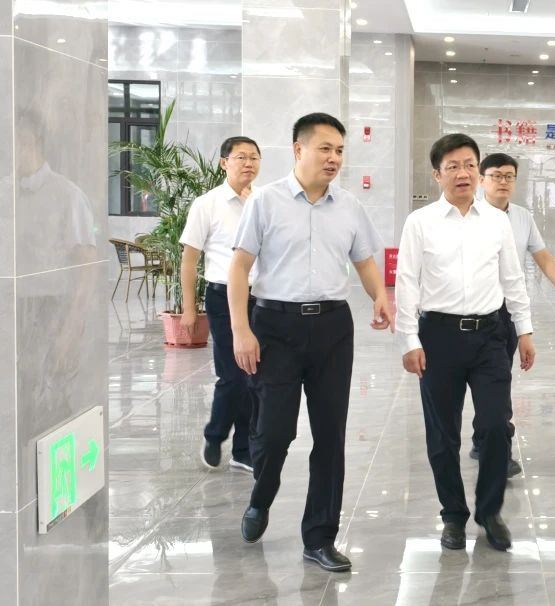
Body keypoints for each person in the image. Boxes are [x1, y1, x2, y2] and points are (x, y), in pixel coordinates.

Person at [228, 113, 392, 572]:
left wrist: (379, 295)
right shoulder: (265, 202)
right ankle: (261, 497)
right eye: (325, 149)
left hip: (332, 329)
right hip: (274, 326)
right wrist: (241, 330)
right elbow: (239, 267)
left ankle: (319, 537)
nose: (334, 158)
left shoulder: (349, 207)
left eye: (339, 150)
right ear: (298, 150)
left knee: (330, 435)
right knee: (275, 433)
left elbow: (364, 260)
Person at [396, 134, 536, 552]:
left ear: (479, 170)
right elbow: (406, 282)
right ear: (437, 174)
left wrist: (524, 329)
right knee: (442, 434)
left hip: (490, 335)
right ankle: (453, 515)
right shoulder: (420, 222)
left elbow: (512, 277)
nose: (463, 173)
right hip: (438, 337)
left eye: (470, 165)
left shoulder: (496, 221)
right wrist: (409, 339)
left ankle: (490, 511)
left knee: (495, 425)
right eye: (453, 166)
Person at [467, 152, 555, 477]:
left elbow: (543, 257)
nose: (503, 182)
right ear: (482, 180)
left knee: (497, 381)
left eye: (509, 176)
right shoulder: (467, 215)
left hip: (506, 312)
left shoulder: (521, 217)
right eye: (496, 175)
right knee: (488, 383)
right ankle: (490, 443)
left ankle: (488, 443)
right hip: (472, 309)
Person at [179, 136, 261, 473]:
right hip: (223, 297)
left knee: (255, 376)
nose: (248, 163)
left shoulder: (263, 202)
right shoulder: (207, 204)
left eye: (254, 157)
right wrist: (189, 308)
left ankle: (243, 449)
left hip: (261, 298)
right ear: (224, 163)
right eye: (241, 157)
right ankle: (215, 435)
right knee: (233, 375)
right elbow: (188, 261)